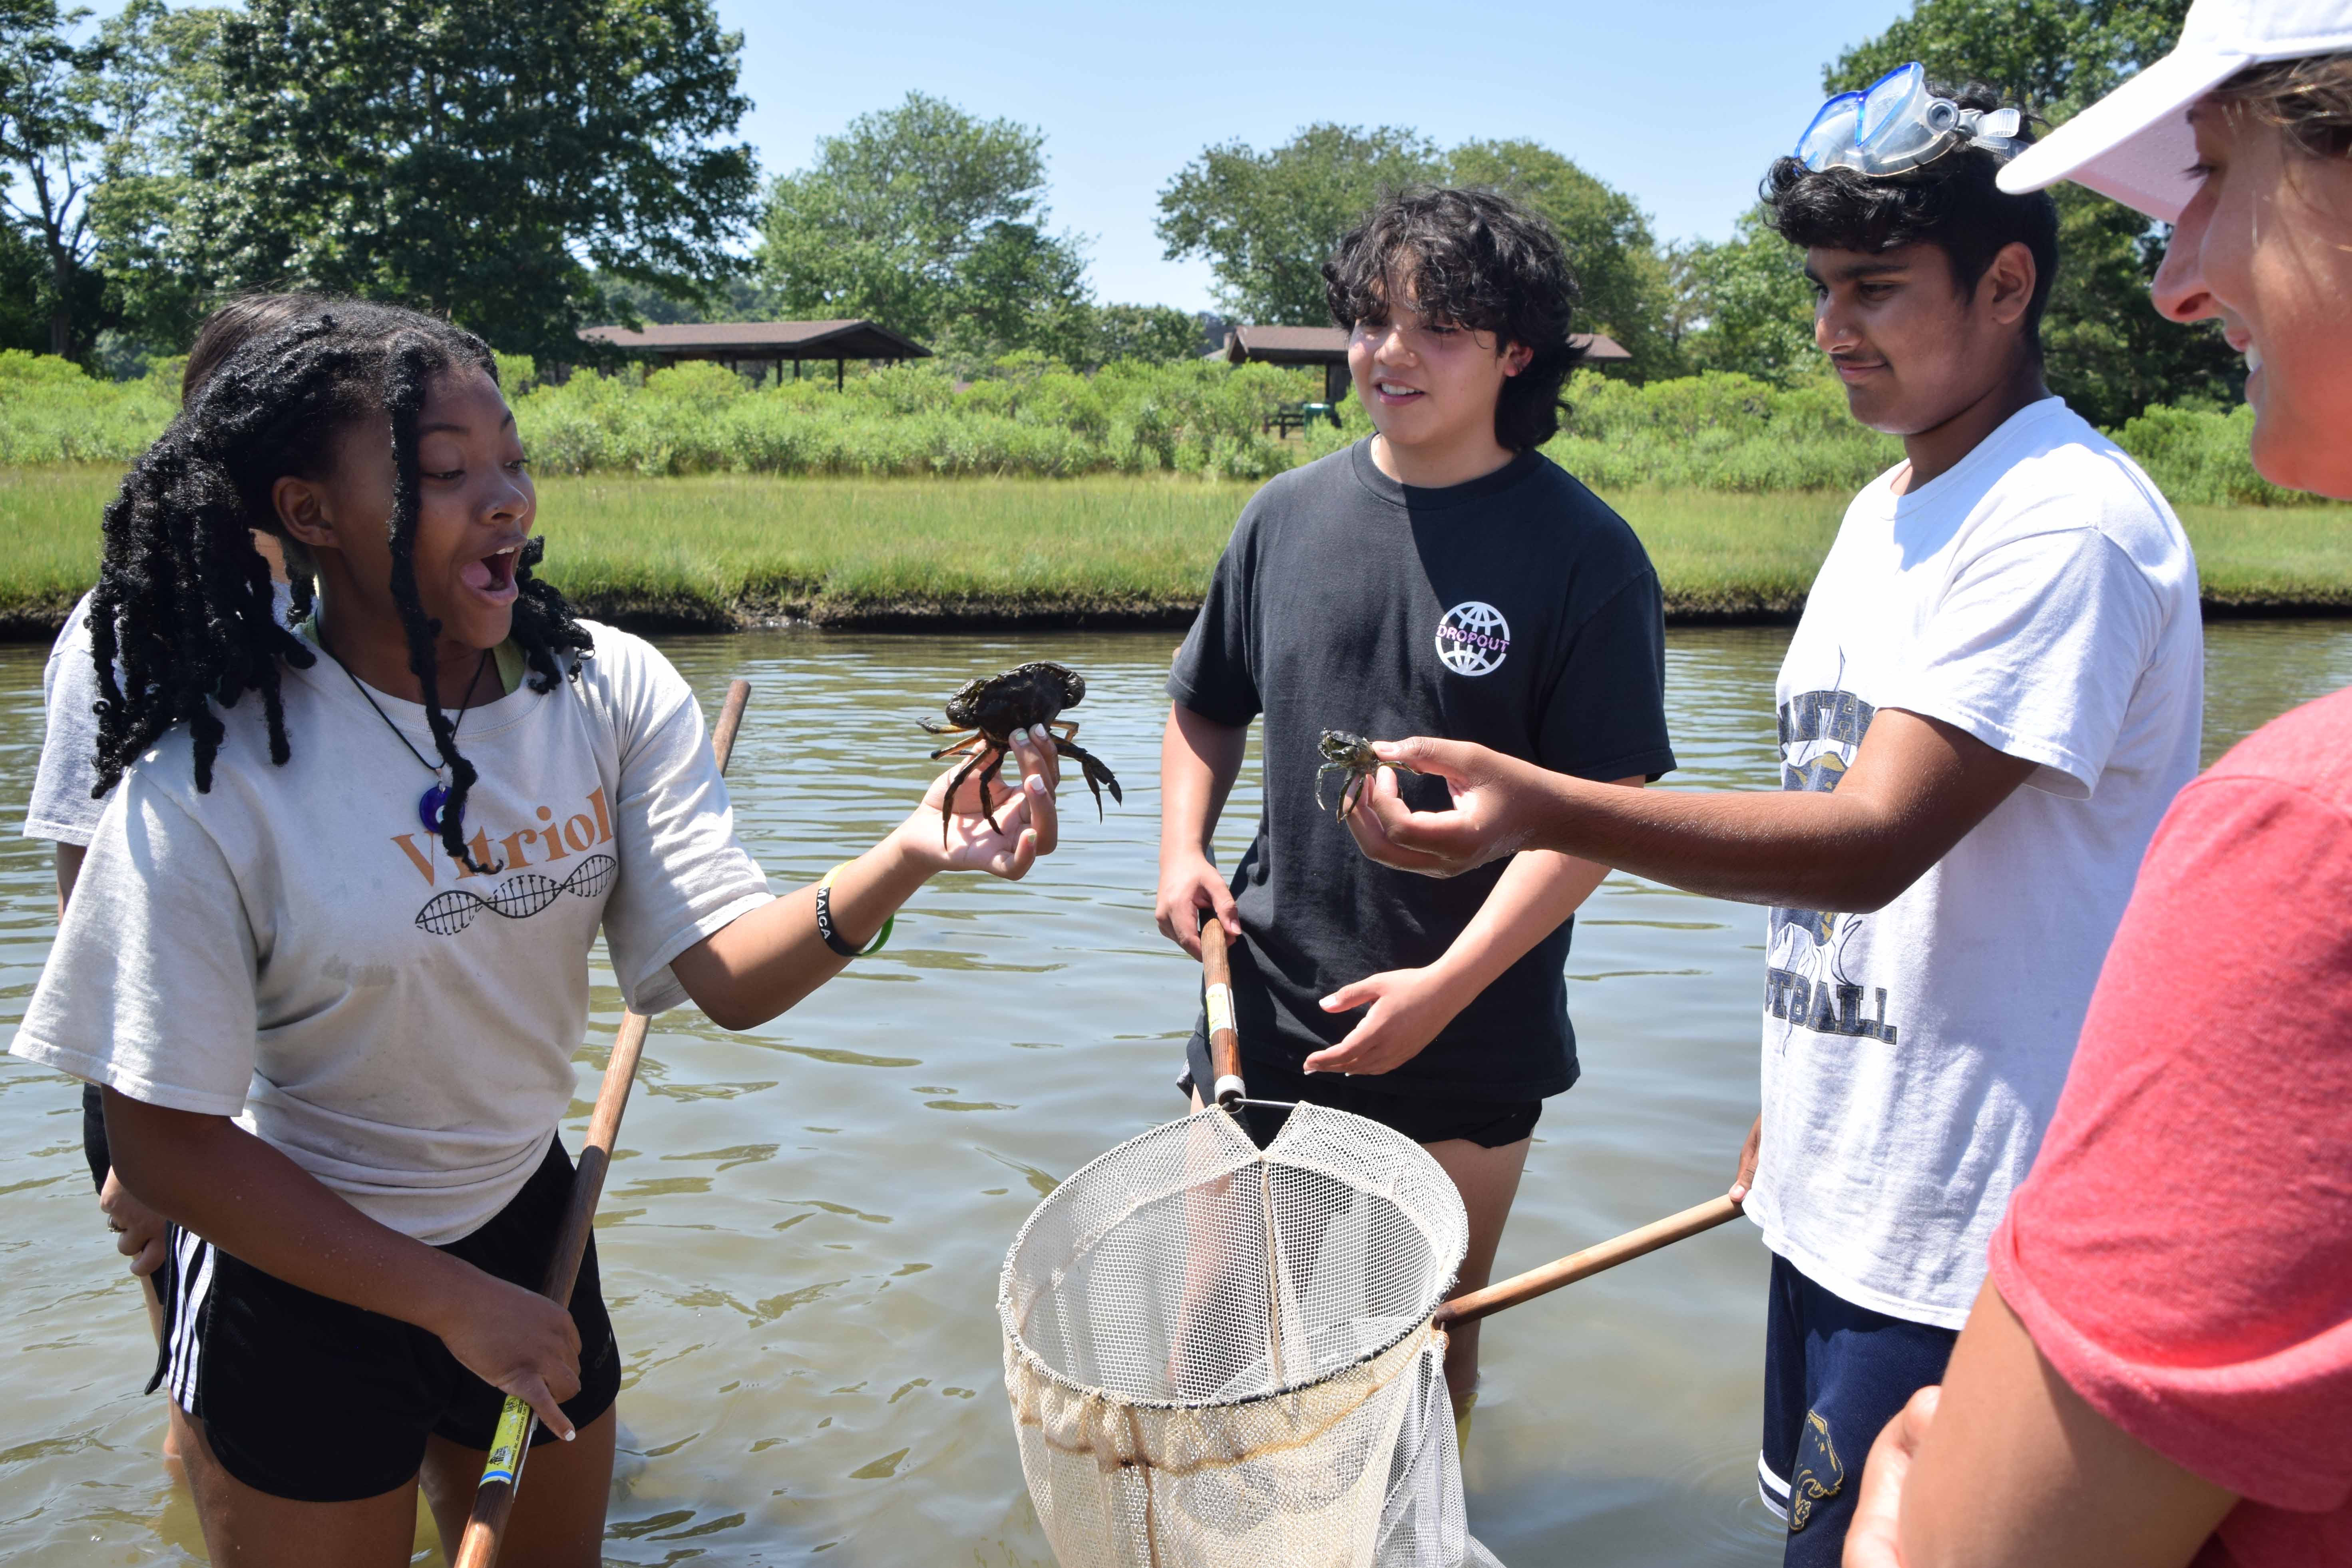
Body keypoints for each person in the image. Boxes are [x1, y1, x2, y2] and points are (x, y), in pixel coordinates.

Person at [7, 298, 1064, 1566]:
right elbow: (160, 1140)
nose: (505, 497)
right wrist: (450, 1304)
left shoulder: (609, 690)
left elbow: (722, 975)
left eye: (512, 458)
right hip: (304, 1269)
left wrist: (911, 854)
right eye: (447, 473)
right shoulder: (214, 760)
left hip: (531, 1237)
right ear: (308, 513)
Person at [1338, 80, 2205, 1566]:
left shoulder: (2063, 520)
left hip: (1975, 1236)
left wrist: (1539, 803)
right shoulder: (1890, 508)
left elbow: (1872, 843)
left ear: (2009, 284)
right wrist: (1804, 1110)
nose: (1831, 328)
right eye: (1820, 287)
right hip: (1841, 1191)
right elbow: (1847, 848)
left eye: (1876, 288)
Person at [1846, 10, 2352, 1566]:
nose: (2170, 274)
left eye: (2215, 175)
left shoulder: (2305, 842)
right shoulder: (1881, 508)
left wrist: (1902, 1526)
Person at [1154, 187, 1675, 1419]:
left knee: (1426, 1363)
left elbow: (1611, 804)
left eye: (1440, 328)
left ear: (1515, 354)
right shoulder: (1283, 517)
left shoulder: (1588, 553)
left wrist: (1443, 991)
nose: (1392, 354)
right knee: (1206, 1347)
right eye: (1372, 321)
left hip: (1473, 1023)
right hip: (1266, 1005)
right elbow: (1204, 701)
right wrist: (1180, 847)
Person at [24, 293, 316, 1369]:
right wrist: (140, 1138)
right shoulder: (132, 621)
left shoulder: (347, 604)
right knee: (216, 1393)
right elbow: (89, 888)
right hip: (177, 1087)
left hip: (316, 1070)